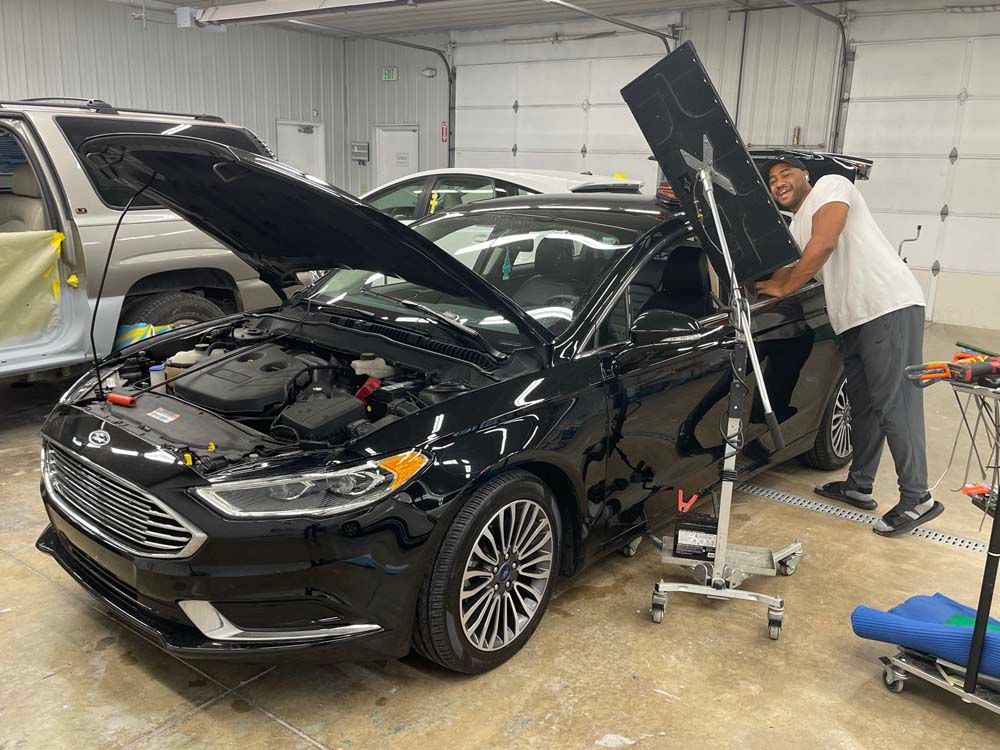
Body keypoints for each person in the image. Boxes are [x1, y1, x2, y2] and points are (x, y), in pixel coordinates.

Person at [754, 155, 942, 538]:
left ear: (805, 174)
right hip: (852, 317)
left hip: (886, 304)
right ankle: (859, 485)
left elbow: (823, 244)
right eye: (772, 180)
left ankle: (917, 497)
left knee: (895, 403)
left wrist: (784, 288)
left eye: (785, 173)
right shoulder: (794, 224)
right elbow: (785, 269)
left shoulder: (832, 187)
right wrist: (757, 290)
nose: (778, 182)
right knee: (865, 406)